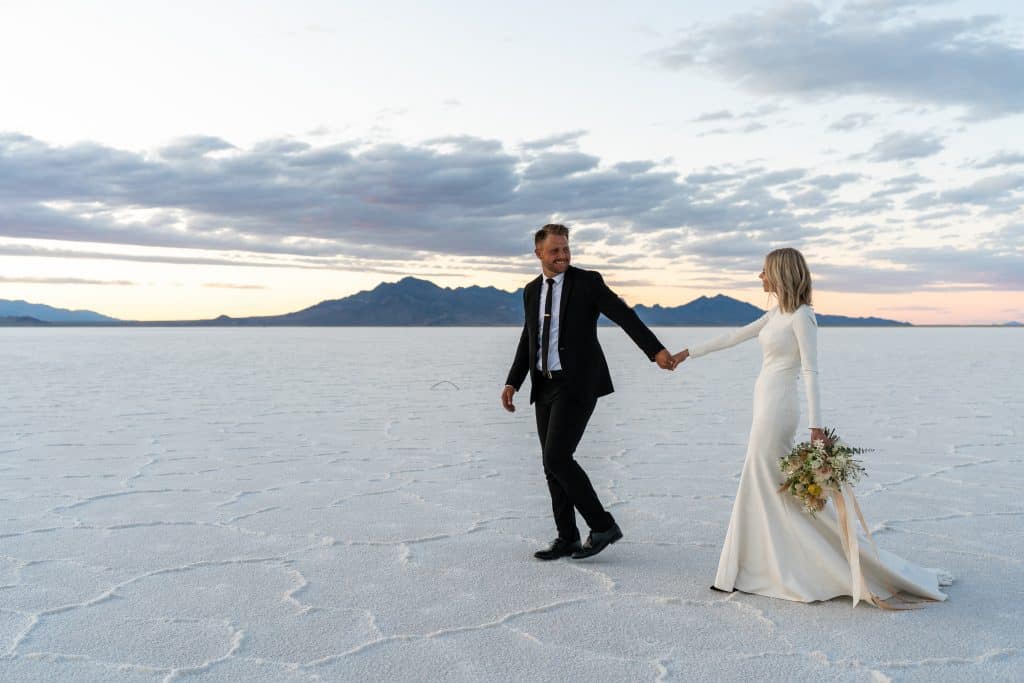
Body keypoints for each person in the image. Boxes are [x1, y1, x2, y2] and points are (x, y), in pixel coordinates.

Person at [673, 248, 950, 606]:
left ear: (781, 274)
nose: (760, 277)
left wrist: (816, 426)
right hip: (764, 402)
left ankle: (746, 569)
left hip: (779, 408)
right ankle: (754, 565)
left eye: (764, 271)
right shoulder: (777, 313)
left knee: (760, 478)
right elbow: (732, 337)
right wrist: (686, 353)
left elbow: (810, 370)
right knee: (768, 484)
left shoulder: (802, 317)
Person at [502, 224, 676, 560]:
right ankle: (566, 536)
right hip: (545, 383)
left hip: (578, 383)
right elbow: (529, 338)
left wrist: (655, 351)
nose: (563, 255)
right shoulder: (531, 290)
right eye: (555, 251)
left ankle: (602, 526)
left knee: (557, 457)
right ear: (538, 253)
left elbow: (624, 316)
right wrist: (514, 381)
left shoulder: (587, 282)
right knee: (550, 463)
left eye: (566, 249)